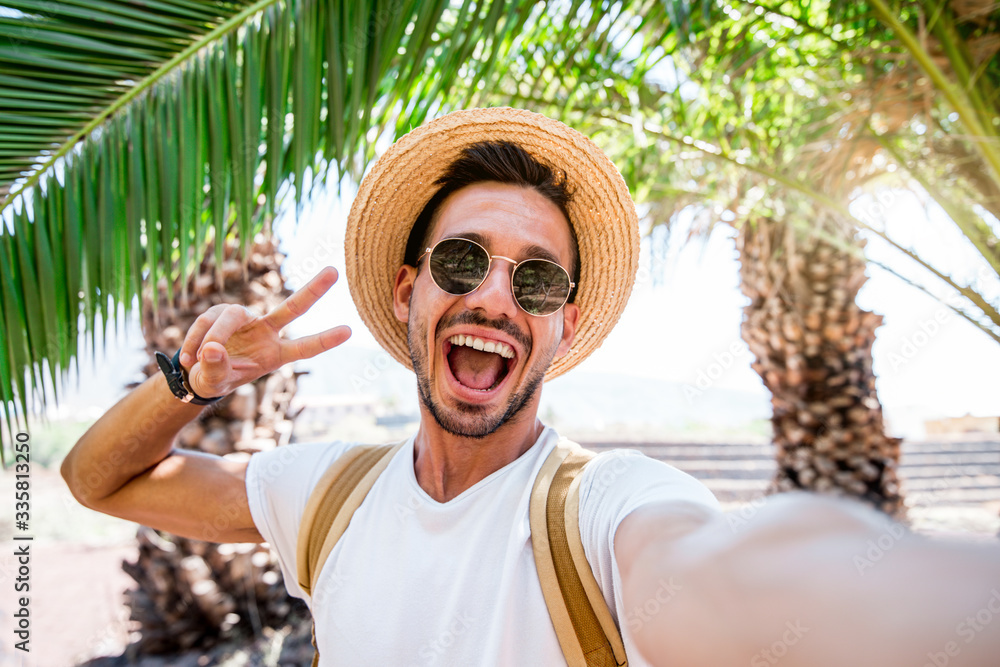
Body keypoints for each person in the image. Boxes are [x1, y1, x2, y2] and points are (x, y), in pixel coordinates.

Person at [62, 108, 1000, 667]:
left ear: (567, 323)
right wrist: (190, 382)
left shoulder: (611, 505)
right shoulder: (326, 496)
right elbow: (92, 480)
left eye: (539, 279)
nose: (497, 296)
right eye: (463, 259)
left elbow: (723, 576)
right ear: (409, 288)